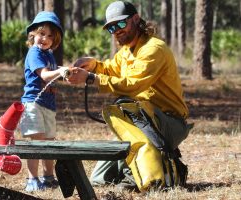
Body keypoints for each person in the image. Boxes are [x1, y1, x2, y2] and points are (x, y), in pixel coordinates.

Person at [68, 1, 190, 191]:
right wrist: (93, 65)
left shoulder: (153, 49)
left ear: (135, 19)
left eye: (120, 24)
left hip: (169, 122)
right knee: (99, 180)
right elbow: (110, 68)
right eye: (111, 27)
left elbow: (133, 85)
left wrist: (91, 78)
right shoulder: (126, 52)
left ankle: (133, 177)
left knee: (126, 104)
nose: (116, 30)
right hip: (142, 119)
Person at [19, 11, 69, 192]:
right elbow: (46, 75)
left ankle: (48, 177)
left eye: (50, 36)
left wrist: (67, 72)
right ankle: (32, 179)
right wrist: (61, 71)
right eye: (41, 34)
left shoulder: (48, 54)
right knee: (36, 140)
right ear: (33, 34)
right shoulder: (34, 54)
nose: (45, 38)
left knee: (49, 141)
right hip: (33, 103)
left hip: (48, 104)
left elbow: (53, 73)